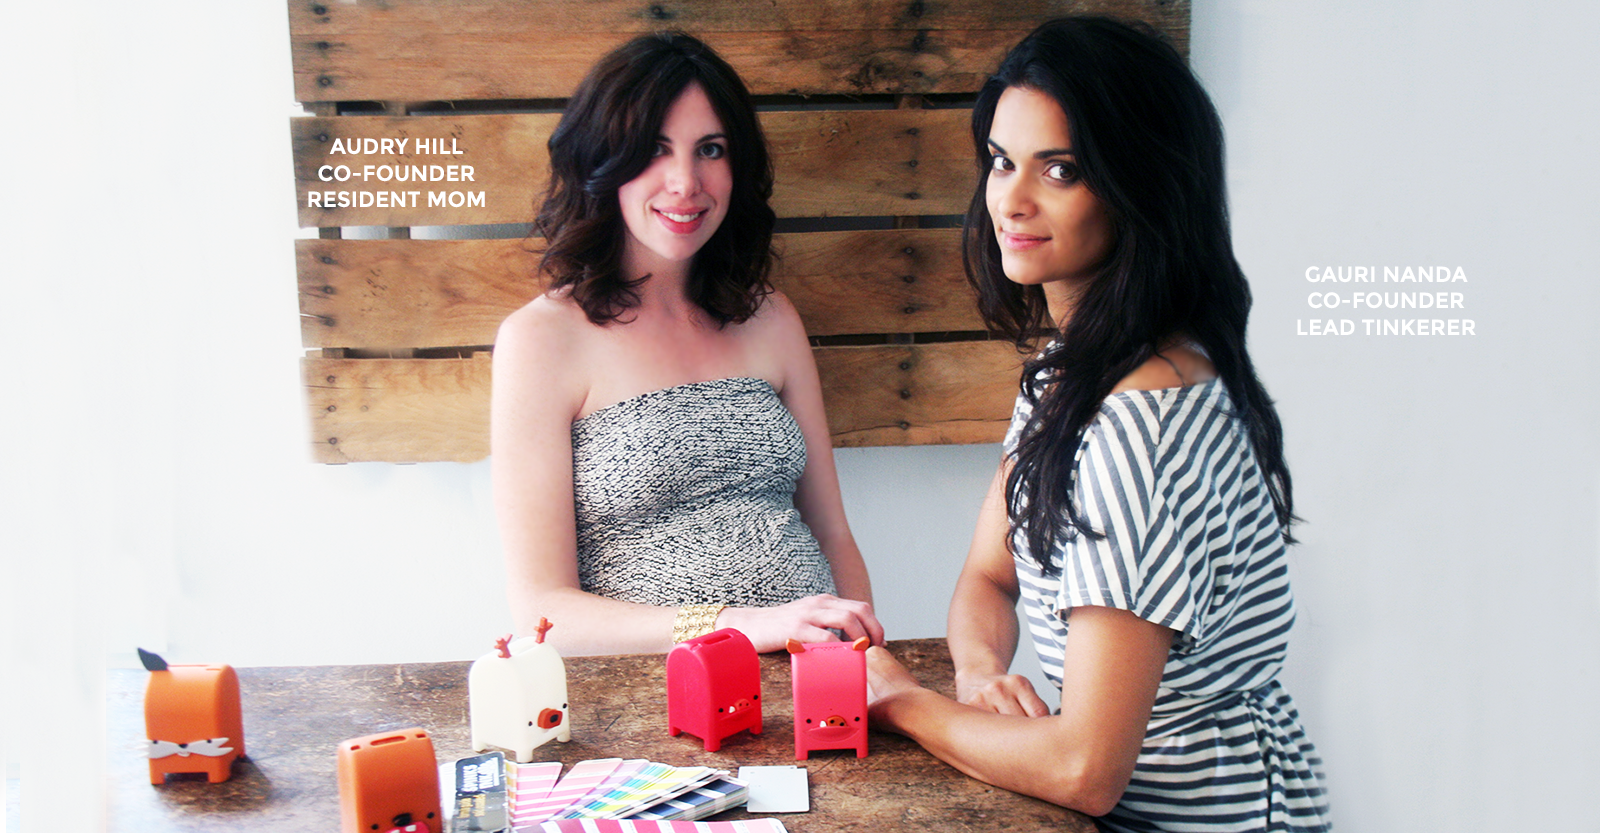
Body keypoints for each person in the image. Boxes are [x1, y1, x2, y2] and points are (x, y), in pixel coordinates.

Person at [864, 17, 1331, 832]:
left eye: (1062, 170)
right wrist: (979, 674)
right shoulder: (1073, 372)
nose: (1011, 200)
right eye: (1001, 161)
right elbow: (988, 576)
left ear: (1139, 184)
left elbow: (1084, 769)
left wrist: (903, 702)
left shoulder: (1135, 429)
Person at [492, 32, 883, 656]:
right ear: (602, 160)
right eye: (654, 148)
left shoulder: (771, 317)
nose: (686, 182)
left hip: (815, 674)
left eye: (710, 150)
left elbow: (833, 532)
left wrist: (867, 660)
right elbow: (543, 612)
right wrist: (739, 625)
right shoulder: (541, 340)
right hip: (657, 692)